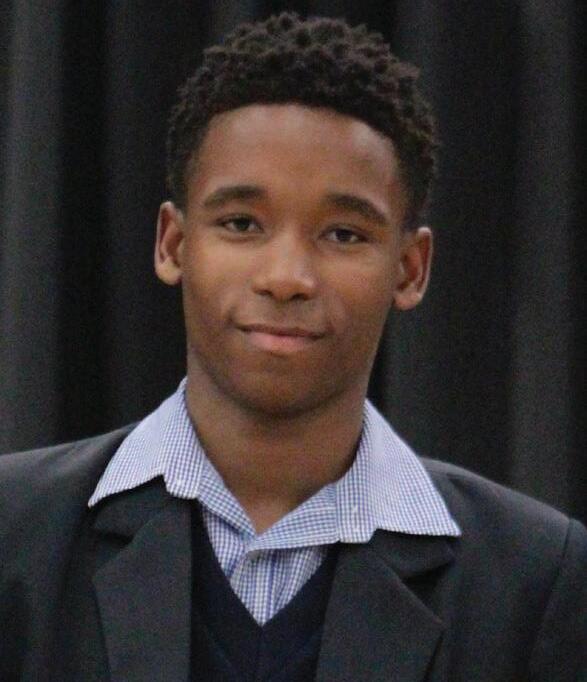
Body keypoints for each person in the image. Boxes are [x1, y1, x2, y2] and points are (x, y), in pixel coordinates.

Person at [0, 12, 585, 682]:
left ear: (410, 269)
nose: (285, 277)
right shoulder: (16, 535)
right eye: (241, 223)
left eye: (343, 235)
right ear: (173, 244)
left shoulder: (535, 582)